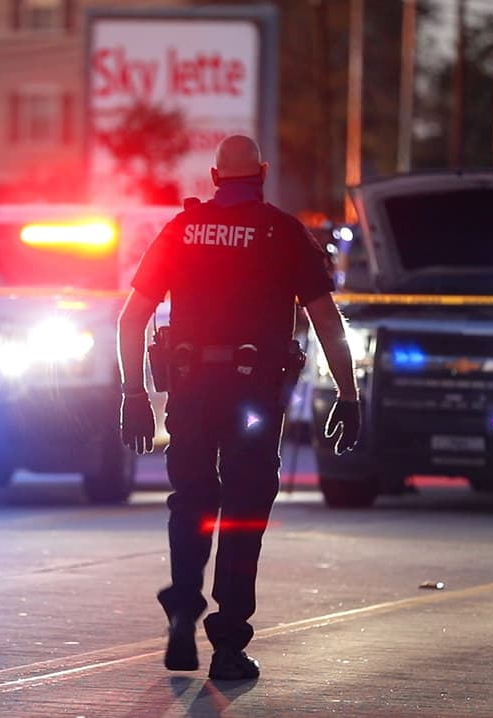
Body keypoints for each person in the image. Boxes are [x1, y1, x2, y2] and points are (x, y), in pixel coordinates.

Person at [116, 135, 363, 681]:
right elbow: (326, 321)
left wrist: (134, 394)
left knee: (192, 500)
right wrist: (349, 394)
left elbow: (131, 318)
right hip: (253, 397)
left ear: (213, 176)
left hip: (191, 391)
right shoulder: (282, 232)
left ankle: (183, 604)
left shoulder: (183, 230)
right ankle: (228, 644)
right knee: (245, 508)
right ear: (263, 173)